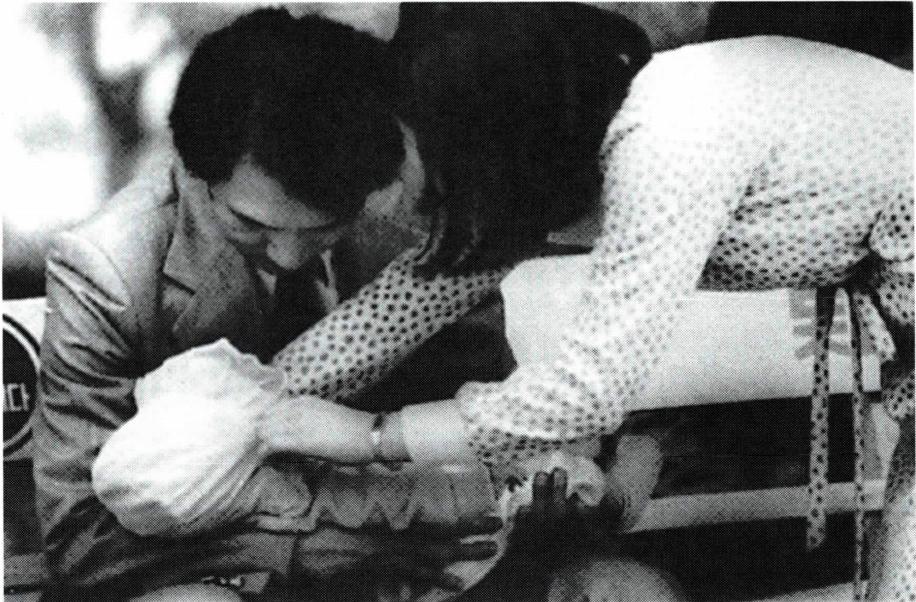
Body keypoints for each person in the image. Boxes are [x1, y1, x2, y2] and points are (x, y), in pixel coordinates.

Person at [257, 4, 913, 600]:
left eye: (421, 182)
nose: (401, 205)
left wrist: (370, 437)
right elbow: (408, 300)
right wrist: (254, 397)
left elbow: (592, 392)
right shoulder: (559, 166)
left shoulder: (667, 140)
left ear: (487, 143)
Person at [33, 9, 500, 600]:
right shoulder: (109, 267)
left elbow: (489, 417)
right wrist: (304, 549)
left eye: (324, 226)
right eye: (251, 224)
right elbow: (81, 538)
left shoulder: (414, 232)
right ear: (196, 173)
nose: (288, 254)